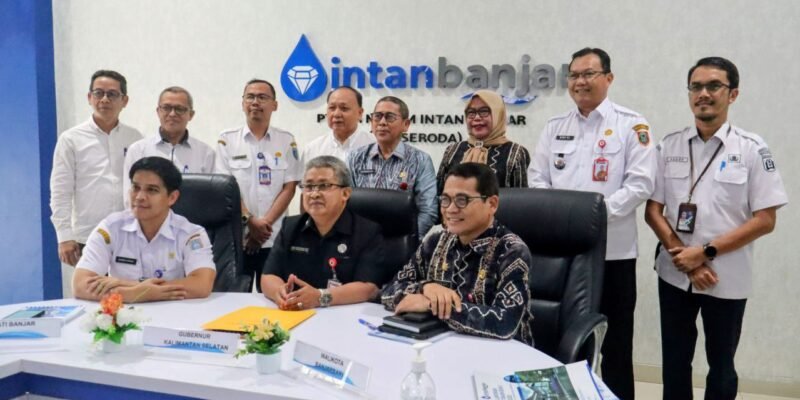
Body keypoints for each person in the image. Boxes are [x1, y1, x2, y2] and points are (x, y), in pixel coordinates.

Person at [645, 57, 787, 400]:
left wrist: (705, 253)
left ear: (732, 94)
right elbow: (653, 211)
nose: (703, 94)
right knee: (674, 361)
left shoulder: (752, 149)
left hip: (725, 276)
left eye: (713, 86)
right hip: (675, 272)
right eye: (696, 87)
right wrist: (685, 257)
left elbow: (765, 220)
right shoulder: (669, 145)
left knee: (721, 365)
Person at [527, 48, 656, 399]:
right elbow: (538, 178)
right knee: (560, 339)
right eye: (574, 75)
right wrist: (561, 220)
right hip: (561, 256)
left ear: (608, 78)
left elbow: (640, 184)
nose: (580, 82)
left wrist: (591, 220)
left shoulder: (632, 125)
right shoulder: (555, 127)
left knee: (616, 345)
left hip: (613, 255)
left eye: (589, 74)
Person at [381, 162, 534, 346]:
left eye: (462, 200)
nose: (450, 209)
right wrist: (425, 288)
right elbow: (388, 291)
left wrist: (431, 305)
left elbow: (505, 323)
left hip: (502, 354)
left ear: (492, 204)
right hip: (442, 346)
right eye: (445, 199)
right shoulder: (435, 242)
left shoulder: (511, 251)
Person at [73, 157, 216, 303]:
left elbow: (201, 285)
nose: (140, 197)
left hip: (171, 312)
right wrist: (132, 294)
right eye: (135, 188)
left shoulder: (191, 234)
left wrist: (130, 286)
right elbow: (80, 284)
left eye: (152, 190)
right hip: (124, 313)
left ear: (172, 197)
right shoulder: (111, 228)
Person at [261, 156, 389, 310]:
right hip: (296, 313)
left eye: (324, 186)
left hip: (343, 315)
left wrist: (321, 297)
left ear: (345, 193)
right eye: (309, 186)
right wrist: (279, 293)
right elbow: (268, 276)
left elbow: (369, 288)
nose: (314, 194)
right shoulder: (290, 226)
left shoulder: (367, 231)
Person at [50, 70, 143, 273]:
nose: (105, 99)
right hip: (89, 236)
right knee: (93, 291)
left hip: (130, 234)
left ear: (124, 101)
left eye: (112, 94)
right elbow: (60, 192)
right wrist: (64, 236)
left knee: (129, 291)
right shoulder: (71, 139)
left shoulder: (135, 138)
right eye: (99, 93)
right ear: (89, 97)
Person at [215, 79, 301, 292]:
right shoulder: (227, 140)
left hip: (274, 237)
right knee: (233, 298)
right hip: (238, 237)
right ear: (242, 103)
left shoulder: (286, 140)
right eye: (250, 97)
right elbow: (226, 188)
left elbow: (289, 187)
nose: (255, 102)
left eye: (262, 97)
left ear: (274, 105)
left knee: (274, 297)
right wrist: (250, 221)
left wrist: (264, 226)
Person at [348, 96, 438, 237]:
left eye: (390, 117)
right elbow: (345, 203)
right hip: (360, 241)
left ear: (405, 124)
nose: (382, 122)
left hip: (403, 241)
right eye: (377, 116)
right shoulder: (356, 158)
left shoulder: (420, 160)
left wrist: (408, 241)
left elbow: (428, 210)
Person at [123, 86, 215, 206]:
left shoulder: (206, 153)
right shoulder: (138, 150)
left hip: (191, 218)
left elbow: (210, 198)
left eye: (179, 109)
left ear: (191, 115)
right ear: (158, 111)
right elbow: (130, 197)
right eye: (166, 108)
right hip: (147, 217)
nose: (172, 114)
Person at [436, 90, 530, 195]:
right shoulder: (452, 150)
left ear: (497, 114)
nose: (477, 118)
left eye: (484, 111)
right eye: (471, 113)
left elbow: (520, 199)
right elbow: (439, 194)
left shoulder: (515, 153)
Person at [301, 86, 374, 163]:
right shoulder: (313, 150)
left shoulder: (375, 146)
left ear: (360, 113)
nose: (336, 114)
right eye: (332, 108)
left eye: (344, 108)